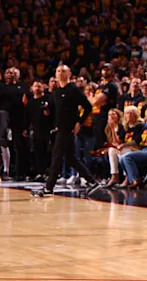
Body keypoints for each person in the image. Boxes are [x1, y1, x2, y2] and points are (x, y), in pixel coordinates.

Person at [32, 64, 102, 197]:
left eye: (63, 71)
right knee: (70, 158)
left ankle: (48, 188)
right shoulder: (56, 92)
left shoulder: (73, 90)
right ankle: (92, 181)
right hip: (59, 129)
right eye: (58, 71)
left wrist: (79, 123)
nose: (60, 73)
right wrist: (46, 109)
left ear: (69, 74)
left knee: (56, 157)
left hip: (67, 129)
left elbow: (87, 107)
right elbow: (51, 110)